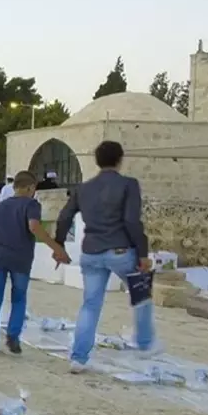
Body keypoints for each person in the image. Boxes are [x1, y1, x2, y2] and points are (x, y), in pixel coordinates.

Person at [56, 141, 156, 374]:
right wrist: (142, 252)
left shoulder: (83, 188)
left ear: (96, 161)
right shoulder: (128, 185)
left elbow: (64, 217)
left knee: (90, 305)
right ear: (120, 160)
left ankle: (78, 358)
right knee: (141, 294)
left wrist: (58, 244)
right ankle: (145, 343)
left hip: (91, 252)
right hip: (120, 251)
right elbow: (132, 221)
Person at [0, 171, 69, 356]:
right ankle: (13, 335)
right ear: (30, 187)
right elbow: (34, 226)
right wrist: (56, 248)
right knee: (19, 298)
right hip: (21, 258)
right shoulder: (31, 204)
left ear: (14, 187)